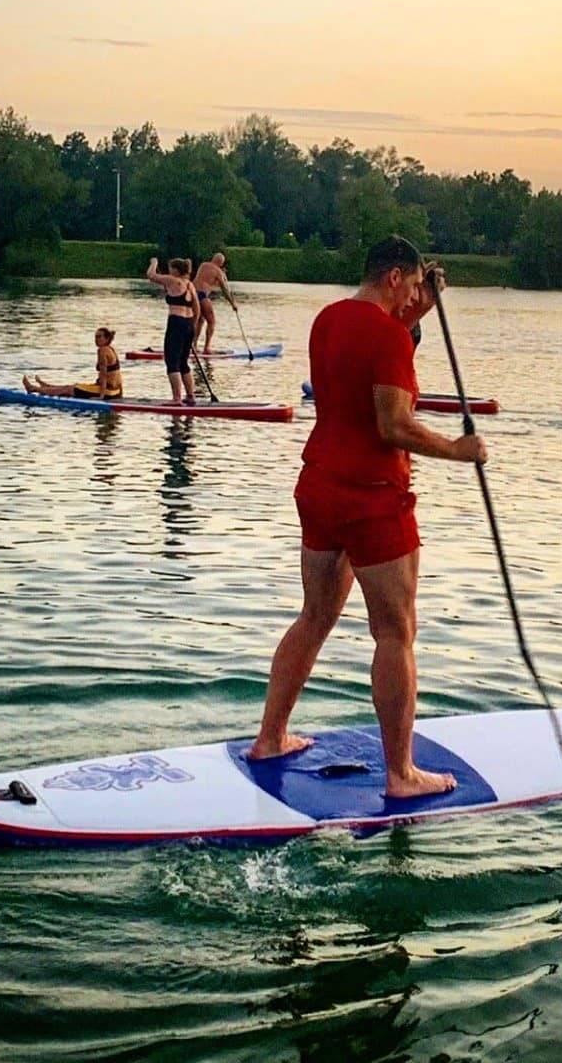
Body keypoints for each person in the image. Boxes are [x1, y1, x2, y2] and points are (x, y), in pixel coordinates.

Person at [248, 235, 487, 799]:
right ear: (397, 278)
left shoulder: (328, 319)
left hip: (320, 486)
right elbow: (392, 425)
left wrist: (416, 317)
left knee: (315, 616)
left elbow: (365, 370)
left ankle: (271, 738)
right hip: (373, 497)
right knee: (395, 632)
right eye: (411, 291)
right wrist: (458, 450)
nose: (412, 302)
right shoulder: (387, 334)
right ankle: (402, 775)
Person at [146, 257, 200, 403]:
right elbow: (197, 308)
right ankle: (190, 396)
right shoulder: (190, 285)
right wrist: (193, 327)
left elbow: (151, 275)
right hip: (189, 324)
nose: (169, 270)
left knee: (172, 361)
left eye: (171, 268)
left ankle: (177, 398)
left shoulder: (172, 280)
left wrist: (154, 263)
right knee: (183, 362)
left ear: (176, 270)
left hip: (176, 322)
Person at [22, 327, 123, 399]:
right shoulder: (111, 349)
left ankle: (33, 389)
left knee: (71, 389)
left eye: (99, 337)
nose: (96, 339)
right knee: (73, 387)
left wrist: (101, 397)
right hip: (115, 391)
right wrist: (120, 394)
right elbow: (117, 374)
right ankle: (46, 387)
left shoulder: (102, 351)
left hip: (107, 392)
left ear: (106, 339)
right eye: (95, 337)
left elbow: (104, 374)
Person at [192, 253, 238, 353]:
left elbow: (208, 280)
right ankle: (206, 348)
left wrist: (222, 276)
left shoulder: (203, 265)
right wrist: (232, 304)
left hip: (192, 294)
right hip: (202, 295)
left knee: (200, 320)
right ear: (221, 264)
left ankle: (193, 344)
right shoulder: (218, 272)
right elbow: (225, 290)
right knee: (211, 321)